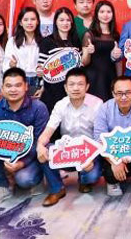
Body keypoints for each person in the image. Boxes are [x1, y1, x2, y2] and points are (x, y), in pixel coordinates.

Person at [0, 67, 52, 207]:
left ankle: (37, 179)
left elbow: (39, 142)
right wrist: (5, 159)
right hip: (4, 153)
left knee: (25, 179)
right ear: (2, 88)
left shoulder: (38, 107)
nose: (13, 90)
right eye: (8, 86)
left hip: (30, 156)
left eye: (18, 85)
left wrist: (21, 163)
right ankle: (3, 186)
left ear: (26, 87)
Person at [35, 68, 104, 204]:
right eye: (71, 84)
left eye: (80, 84)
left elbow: (100, 136)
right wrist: (40, 145)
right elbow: (48, 131)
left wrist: (91, 157)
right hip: (67, 151)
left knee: (92, 176)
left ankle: (84, 180)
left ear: (87, 87)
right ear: (66, 88)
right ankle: (57, 189)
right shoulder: (60, 105)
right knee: (45, 149)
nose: (76, 88)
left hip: (89, 150)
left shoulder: (97, 104)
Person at [38, 7, 92, 111]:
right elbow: (41, 65)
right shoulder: (47, 41)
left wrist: (88, 52)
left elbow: (81, 65)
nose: (65, 23)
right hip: (52, 90)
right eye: (61, 20)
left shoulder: (76, 41)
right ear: (56, 22)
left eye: (68, 20)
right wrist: (39, 72)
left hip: (72, 90)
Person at [84, 0, 122, 102]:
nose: (105, 15)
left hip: (110, 75)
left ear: (113, 14)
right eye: (102, 12)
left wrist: (120, 79)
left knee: (110, 104)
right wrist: (89, 52)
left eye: (108, 12)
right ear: (97, 14)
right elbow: (84, 62)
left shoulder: (115, 35)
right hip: (94, 77)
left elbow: (118, 61)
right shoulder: (89, 34)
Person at [3, 7, 42, 97]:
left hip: (37, 81)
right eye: (26, 20)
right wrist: (11, 65)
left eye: (33, 19)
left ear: (37, 22)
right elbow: (6, 65)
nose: (29, 23)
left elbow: (47, 67)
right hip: (18, 80)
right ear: (20, 23)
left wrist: (42, 86)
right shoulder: (12, 41)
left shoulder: (44, 41)